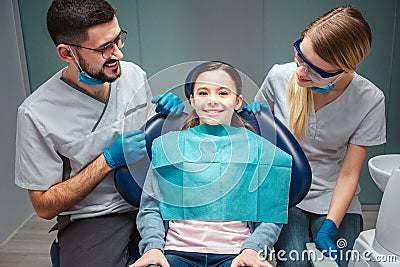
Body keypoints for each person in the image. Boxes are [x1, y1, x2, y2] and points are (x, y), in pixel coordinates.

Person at [14, 0, 183, 266]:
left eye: (118, 40)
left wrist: (170, 118)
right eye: (104, 48)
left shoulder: (134, 76)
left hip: (151, 198)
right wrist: (107, 161)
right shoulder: (36, 113)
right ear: (67, 53)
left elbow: (154, 145)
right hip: (95, 215)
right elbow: (44, 206)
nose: (118, 55)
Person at [246, 6, 386, 267]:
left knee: (339, 262)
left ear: (344, 70)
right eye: (300, 57)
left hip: (335, 194)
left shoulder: (370, 99)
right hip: (289, 189)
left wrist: (330, 226)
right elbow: (258, 142)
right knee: (294, 262)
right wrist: (249, 121)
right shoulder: (279, 76)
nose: (300, 72)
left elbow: (348, 173)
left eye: (315, 71)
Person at [131, 61, 290, 267]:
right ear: (192, 99)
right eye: (204, 93)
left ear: (238, 101)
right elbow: (151, 208)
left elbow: (270, 215)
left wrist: (253, 249)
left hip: (236, 255)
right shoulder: (170, 147)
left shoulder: (260, 151)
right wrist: (152, 247)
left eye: (223, 93)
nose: (212, 100)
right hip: (176, 252)